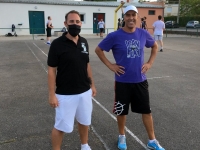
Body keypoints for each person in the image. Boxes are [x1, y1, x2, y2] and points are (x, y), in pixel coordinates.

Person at [95, 5, 165, 150]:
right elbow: (98, 49)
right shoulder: (115, 36)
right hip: (122, 81)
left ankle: (152, 140)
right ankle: (122, 136)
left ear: (137, 17)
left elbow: (154, 46)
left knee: (146, 111)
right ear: (124, 18)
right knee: (121, 111)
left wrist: (149, 63)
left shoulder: (143, 33)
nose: (131, 18)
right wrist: (110, 66)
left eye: (134, 15)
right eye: (128, 15)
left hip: (140, 80)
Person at [47, 10, 96, 150]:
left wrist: (92, 85)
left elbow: (87, 64)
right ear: (65, 24)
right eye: (72, 22)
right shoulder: (57, 44)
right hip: (65, 94)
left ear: (81, 23)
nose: (75, 24)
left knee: (84, 121)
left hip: (85, 91)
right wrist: (52, 94)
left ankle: (84, 145)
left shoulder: (84, 42)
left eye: (77, 22)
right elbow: (51, 70)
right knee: (60, 127)